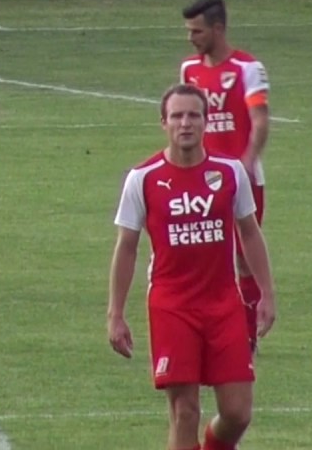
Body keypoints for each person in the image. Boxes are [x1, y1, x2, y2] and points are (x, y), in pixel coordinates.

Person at [106, 84, 277, 450]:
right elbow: (126, 247)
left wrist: (266, 293)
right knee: (185, 411)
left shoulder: (230, 172)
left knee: (237, 412)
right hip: (172, 306)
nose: (185, 123)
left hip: (224, 304)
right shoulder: (143, 178)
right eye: (177, 116)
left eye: (193, 115)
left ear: (206, 121)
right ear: (164, 123)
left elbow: (249, 232)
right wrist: (115, 314)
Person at [179, 0, 271, 352]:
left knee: (244, 259)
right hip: (201, 180)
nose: (191, 38)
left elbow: (259, 120)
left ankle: (247, 338)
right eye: (189, 31)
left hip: (242, 181)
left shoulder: (248, 68)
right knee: (201, 255)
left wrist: (246, 162)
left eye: (197, 31)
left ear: (218, 29)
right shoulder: (189, 70)